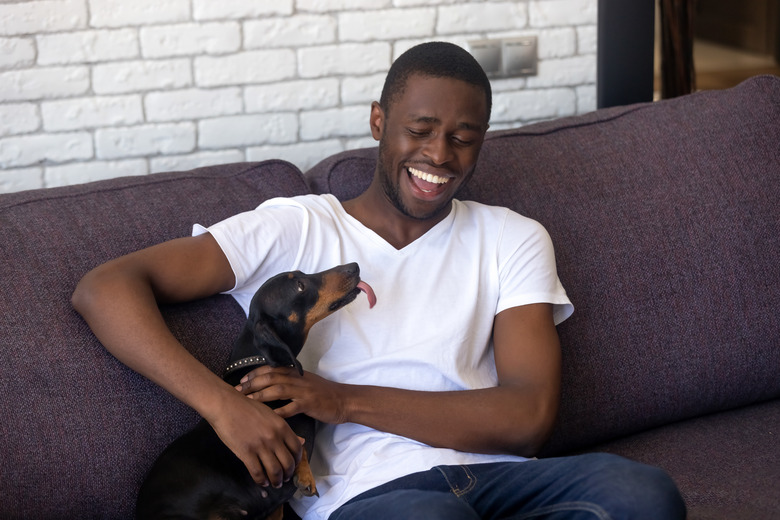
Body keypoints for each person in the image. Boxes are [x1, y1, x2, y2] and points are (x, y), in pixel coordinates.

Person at [73, 42, 686, 520]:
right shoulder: (296, 229)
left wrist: (340, 401)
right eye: (420, 131)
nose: (440, 155)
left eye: (463, 139)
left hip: (502, 480)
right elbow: (105, 289)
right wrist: (225, 407)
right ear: (378, 122)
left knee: (641, 492)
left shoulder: (512, 237)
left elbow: (528, 414)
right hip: (373, 497)